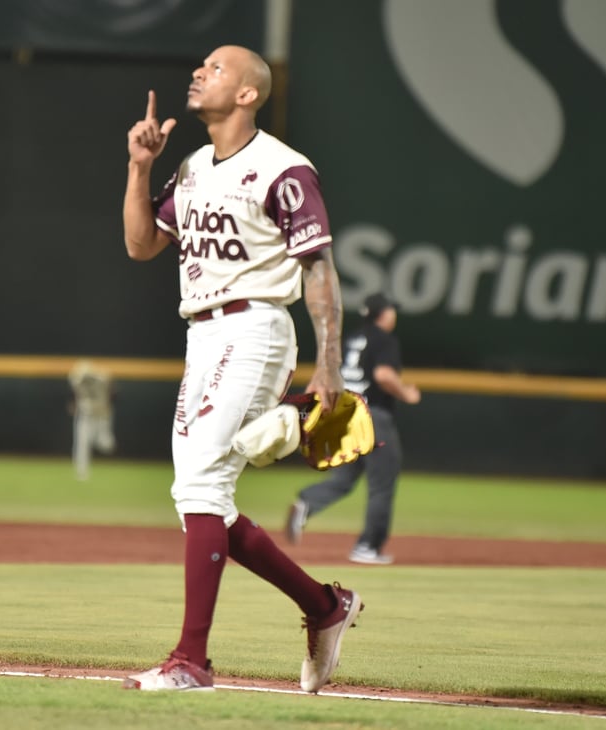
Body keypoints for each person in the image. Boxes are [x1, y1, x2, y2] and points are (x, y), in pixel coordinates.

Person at [121, 45, 362, 692]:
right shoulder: (196, 167)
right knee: (199, 500)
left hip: (256, 325)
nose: (199, 73)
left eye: (217, 68)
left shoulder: (283, 169)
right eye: (201, 67)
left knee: (201, 485)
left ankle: (191, 661)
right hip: (202, 333)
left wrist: (329, 363)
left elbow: (319, 268)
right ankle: (324, 605)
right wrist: (140, 168)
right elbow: (142, 245)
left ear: (250, 94)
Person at [285, 293, 421, 565]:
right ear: (383, 314)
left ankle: (307, 502)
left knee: (344, 478)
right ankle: (368, 546)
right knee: (382, 485)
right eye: (391, 310)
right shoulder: (384, 339)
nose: (393, 314)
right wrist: (406, 393)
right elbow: (383, 375)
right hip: (375, 418)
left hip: (348, 416)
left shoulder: (351, 339)